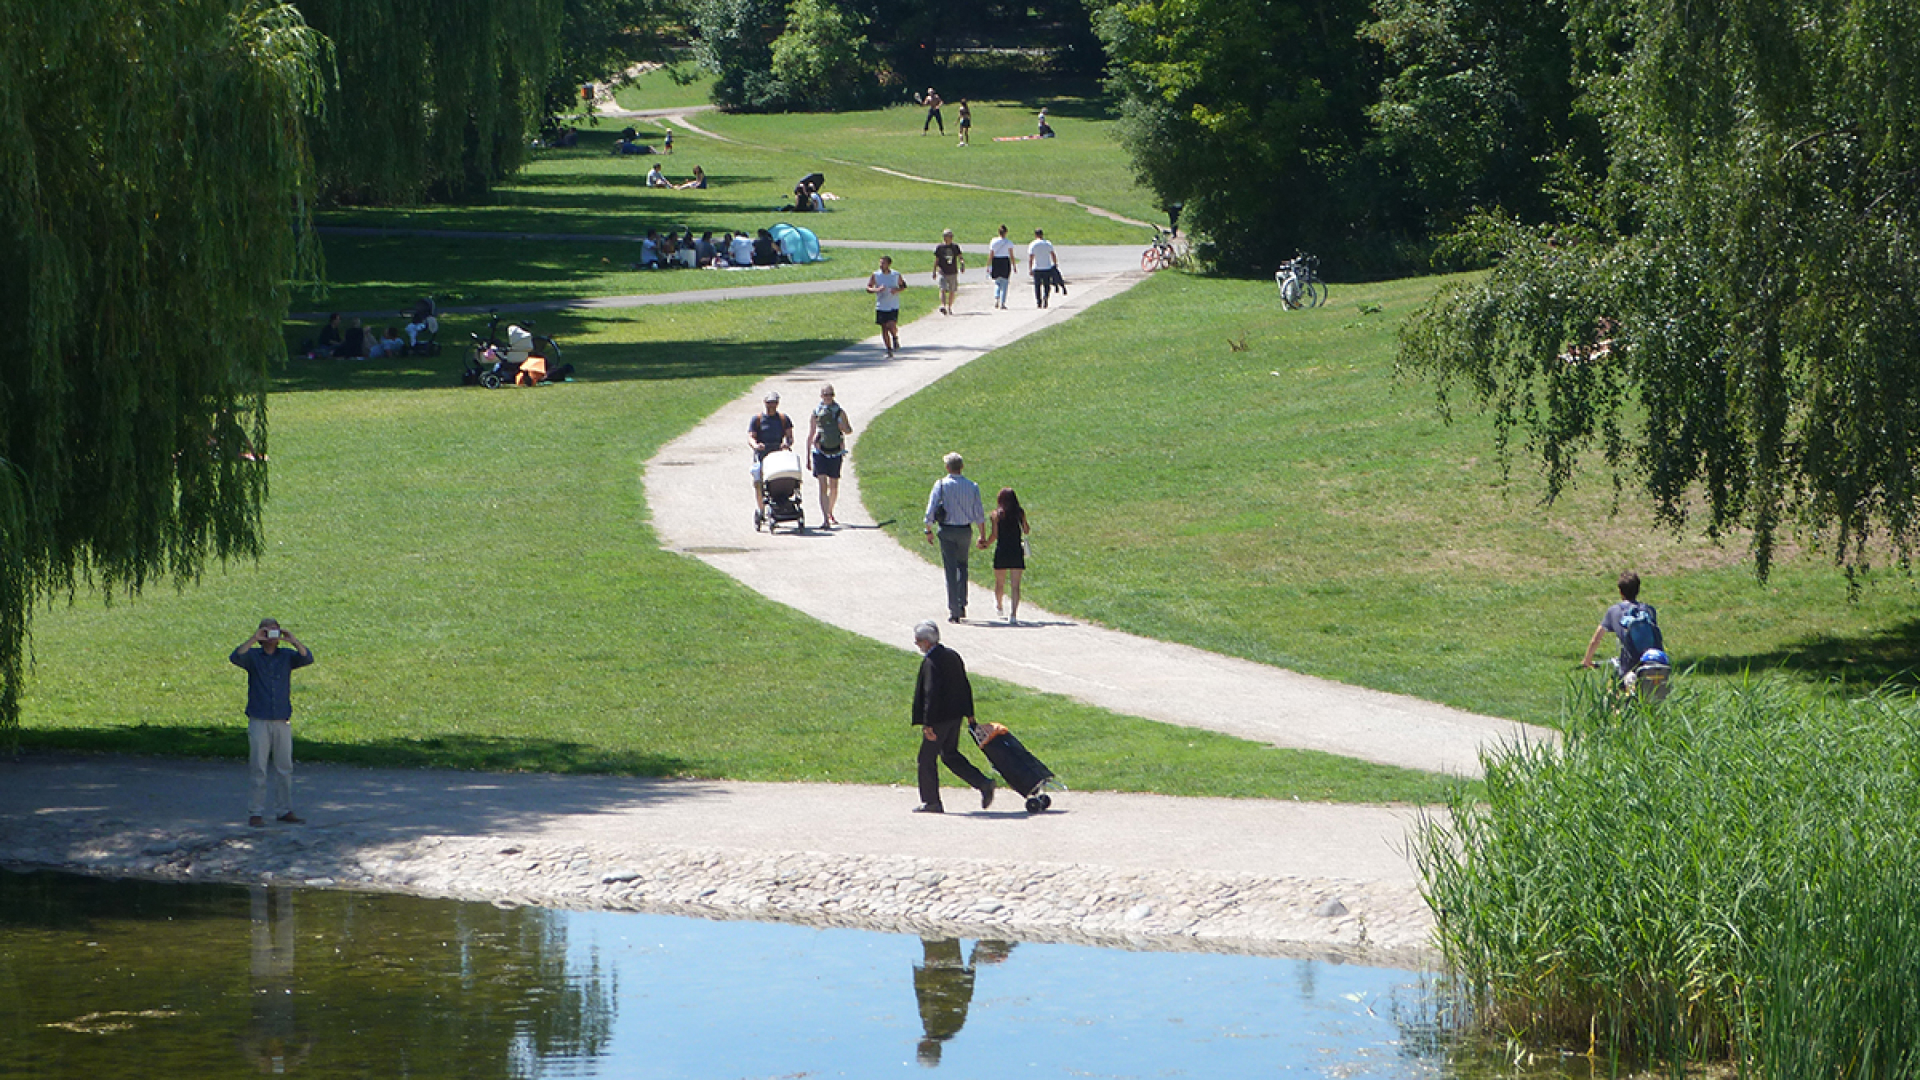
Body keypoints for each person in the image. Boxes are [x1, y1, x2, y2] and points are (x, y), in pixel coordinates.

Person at [230, 618, 315, 828]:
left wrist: (293, 640)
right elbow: (235, 657)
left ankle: (284, 809)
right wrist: (253, 639)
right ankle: (256, 812)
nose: (272, 636)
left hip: (281, 720)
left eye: (275, 632)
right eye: (268, 632)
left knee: (285, 767)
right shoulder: (253, 657)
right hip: (259, 719)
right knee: (258, 767)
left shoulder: (286, 656)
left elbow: (307, 658)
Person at [909, 620, 995, 813]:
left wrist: (928, 724)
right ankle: (982, 783)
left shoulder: (931, 662)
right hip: (955, 717)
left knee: (926, 759)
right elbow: (964, 686)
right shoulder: (952, 656)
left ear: (926, 642)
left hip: (938, 719)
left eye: (918, 641)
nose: (918, 645)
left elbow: (930, 694)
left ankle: (932, 802)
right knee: (949, 755)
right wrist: (970, 714)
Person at [924, 452, 988, 622]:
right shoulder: (972, 486)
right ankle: (961, 603)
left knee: (950, 570)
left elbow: (931, 509)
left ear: (947, 468)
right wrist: (982, 535)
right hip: (965, 531)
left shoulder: (941, 485)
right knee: (962, 566)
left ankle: (954, 611)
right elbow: (979, 513)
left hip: (946, 531)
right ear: (962, 467)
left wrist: (928, 529)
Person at [1582, 571, 1665, 685]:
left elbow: (1596, 640)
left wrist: (1587, 661)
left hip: (1629, 666)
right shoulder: (1649, 610)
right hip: (1655, 662)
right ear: (1638, 590)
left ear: (1620, 592)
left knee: (1613, 687)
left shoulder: (1614, 611)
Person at [979, 486, 1031, 623]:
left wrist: (986, 544)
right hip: (1016, 550)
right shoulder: (1019, 512)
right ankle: (1013, 614)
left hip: (1002, 549)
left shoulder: (996, 514)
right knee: (1015, 585)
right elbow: (1026, 530)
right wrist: (1024, 521)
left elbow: (995, 535)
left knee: (999, 583)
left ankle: (999, 605)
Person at [808, 383, 854, 528]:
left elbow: (849, 430)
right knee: (823, 485)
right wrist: (807, 455)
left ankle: (830, 511)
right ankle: (825, 519)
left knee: (833, 486)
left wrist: (843, 427)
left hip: (835, 451)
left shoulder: (839, 411)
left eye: (830, 395)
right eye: (825, 395)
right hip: (819, 451)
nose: (828, 397)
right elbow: (810, 434)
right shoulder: (816, 411)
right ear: (821, 396)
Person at [747, 391, 794, 522]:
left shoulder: (784, 419)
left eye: (774, 403)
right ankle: (761, 509)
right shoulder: (757, 419)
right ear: (765, 403)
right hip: (762, 455)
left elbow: (790, 436)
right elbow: (751, 437)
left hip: (778, 456)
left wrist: (786, 444)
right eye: (769, 403)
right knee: (758, 481)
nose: (771, 406)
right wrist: (756, 445)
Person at [868, 255, 905, 356]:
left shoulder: (895, 275)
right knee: (884, 328)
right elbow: (868, 288)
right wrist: (877, 289)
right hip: (881, 305)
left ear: (888, 264)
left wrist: (896, 290)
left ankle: (895, 337)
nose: (881, 265)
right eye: (880, 263)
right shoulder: (876, 275)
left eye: (883, 263)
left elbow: (903, 286)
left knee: (891, 325)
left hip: (893, 305)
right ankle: (889, 349)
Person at [932, 229, 966, 315]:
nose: (948, 238)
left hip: (952, 271)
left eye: (950, 237)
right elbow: (936, 260)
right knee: (942, 289)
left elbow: (960, 257)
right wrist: (934, 271)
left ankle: (949, 307)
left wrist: (962, 264)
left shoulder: (955, 247)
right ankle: (943, 305)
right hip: (942, 271)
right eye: (946, 236)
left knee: (952, 290)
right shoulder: (939, 248)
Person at [1027, 229, 1062, 308]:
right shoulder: (1048, 244)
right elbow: (1053, 254)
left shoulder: (1033, 244)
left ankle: (1038, 301)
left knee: (1037, 286)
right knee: (1047, 285)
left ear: (1035, 235)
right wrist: (1055, 263)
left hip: (1037, 268)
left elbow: (1031, 258)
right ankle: (1046, 297)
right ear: (1042, 234)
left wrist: (1030, 268)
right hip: (1047, 267)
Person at [987, 225, 1014, 309]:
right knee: (1005, 283)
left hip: (996, 261)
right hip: (1005, 261)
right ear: (1006, 232)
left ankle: (996, 298)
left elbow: (991, 254)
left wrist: (988, 264)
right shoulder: (1009, 242)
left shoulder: (994, 241)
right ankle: (1002, 303)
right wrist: (1014, 265)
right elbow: (1011, 255)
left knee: (997, 281)